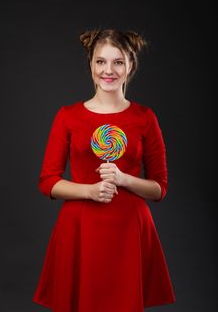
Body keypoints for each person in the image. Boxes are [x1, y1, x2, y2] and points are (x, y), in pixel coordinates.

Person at [33, 28, 176, 311]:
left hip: (128, 231)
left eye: (118, 62)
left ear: (130, 66)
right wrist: (90, 190)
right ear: (90, 65)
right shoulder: (68, 116)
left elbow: (159, 188)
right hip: (79, 229)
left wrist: (124, 179)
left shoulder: (144, 118)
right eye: (100, 61)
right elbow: (48, 181)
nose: (108, 70)